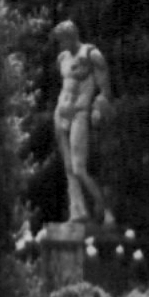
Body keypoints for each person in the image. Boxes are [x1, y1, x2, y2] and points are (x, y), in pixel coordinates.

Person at [52, 20, 113, 230]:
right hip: (61, 113)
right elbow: (64, 86)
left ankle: (105, 209)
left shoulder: (91, 55)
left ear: (72, 36)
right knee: (69, 168)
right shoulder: (63, 58)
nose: (61, 45)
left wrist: (98, 109)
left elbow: (105, 90)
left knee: (79, 167)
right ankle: (78, 211)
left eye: (62, 40)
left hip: (80, 112)